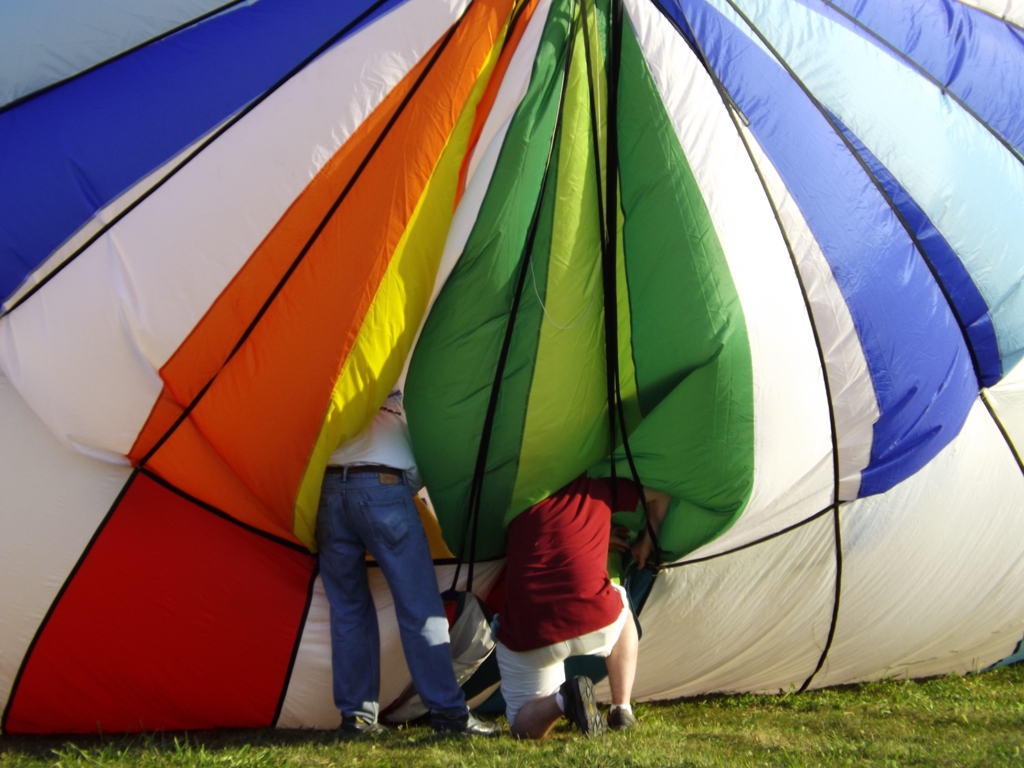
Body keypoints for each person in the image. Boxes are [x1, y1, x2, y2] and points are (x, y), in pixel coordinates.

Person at [315, 389, 498, 737]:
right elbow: (427, 453)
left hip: (329, 490)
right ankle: (449, 714)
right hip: (384, 486)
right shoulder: (398, 400)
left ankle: (357, 718)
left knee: (348, 610)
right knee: (419, 607)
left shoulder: (334, 389)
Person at [493, 475, 670, 739]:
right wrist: (647, 542)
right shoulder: (599, 489)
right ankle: (621, 708)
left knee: (522, 725)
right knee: (619, 599)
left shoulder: (516, 496)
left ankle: (564, 699)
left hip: (531, 629)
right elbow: (662, 494)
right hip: (595, 618)